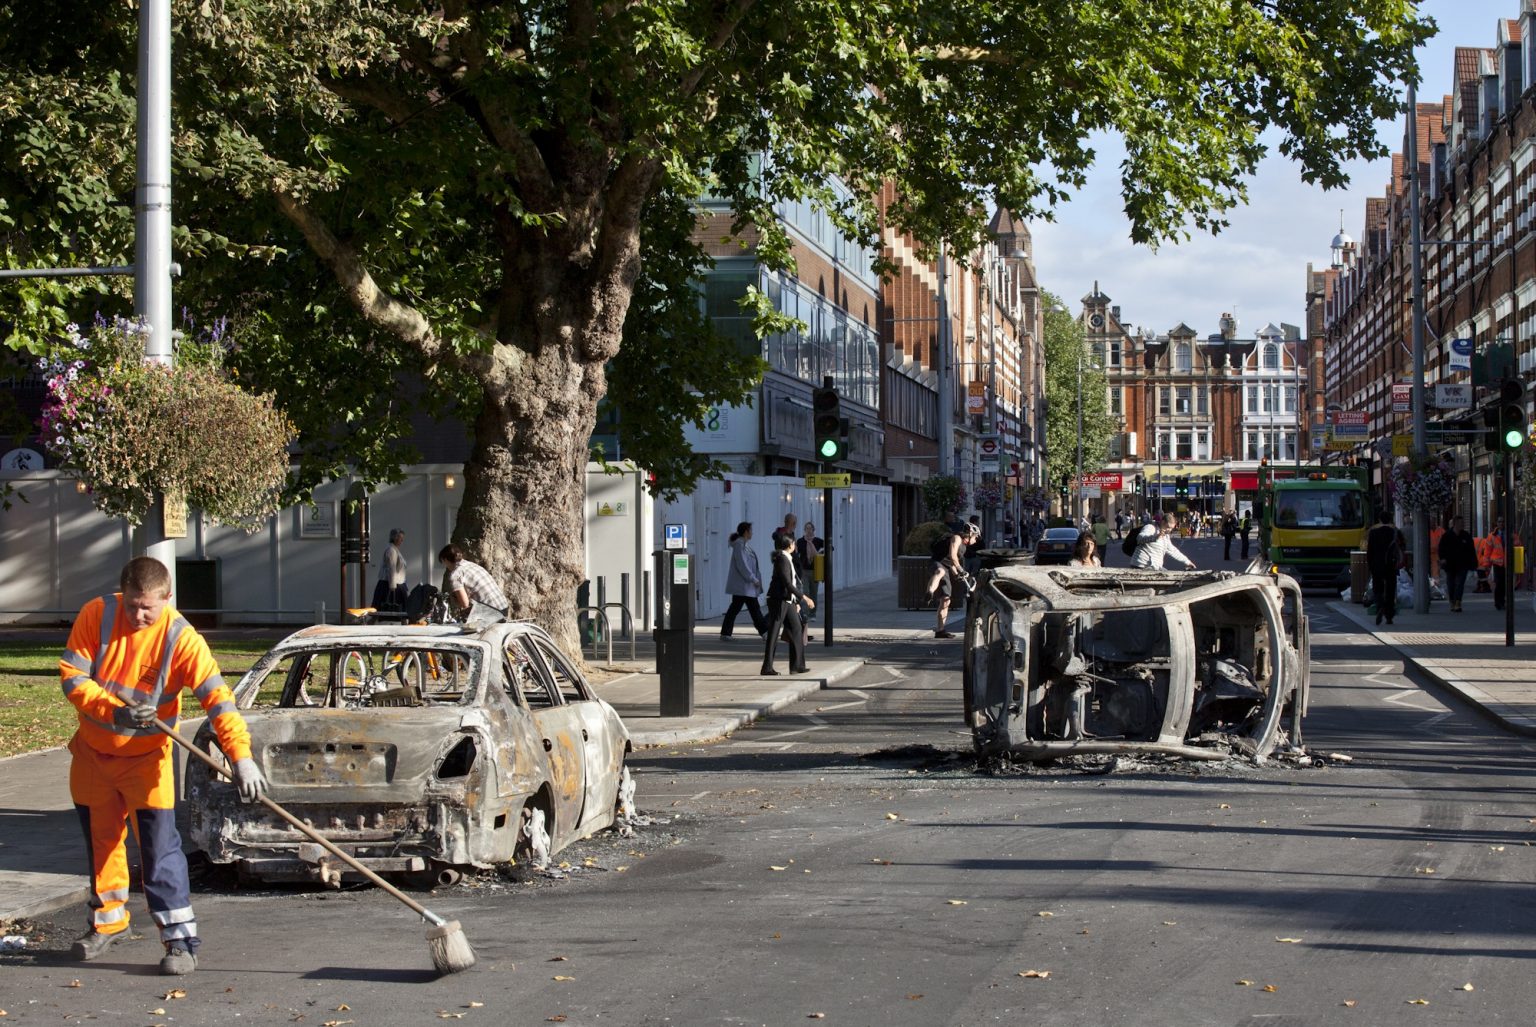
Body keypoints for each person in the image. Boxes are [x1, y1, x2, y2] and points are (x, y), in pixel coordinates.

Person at [60, 557, 266, 976]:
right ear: (122, 594)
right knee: (102, 846)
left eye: (148, 608)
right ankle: (108, 923)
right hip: (93, 756)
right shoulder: (96, 615)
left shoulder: (182, 639)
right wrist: (116, 712)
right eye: (132, 605)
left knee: (160, 852)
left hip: (146, 761)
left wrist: (240, 757)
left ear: (167, 599)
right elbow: (72, 678)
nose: (138, 615)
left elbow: (219, 701)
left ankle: (180, 941)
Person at [761, 531, 811, 675]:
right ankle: (767, 667)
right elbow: (787, 583)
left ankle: (797, 665)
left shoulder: (787, 558)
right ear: (790, 544)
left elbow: (792, 582)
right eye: (794, 542)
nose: (795, 545)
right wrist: (804, 598)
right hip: (778, 600)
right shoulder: (782, 559)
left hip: (787, 600)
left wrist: (795, 601)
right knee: (774, 632)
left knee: (796, 628)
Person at [926, 522, 977, 638]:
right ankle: (929, 592)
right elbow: (952, 556)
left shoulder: (963, 548)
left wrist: (958, 574)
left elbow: (952, 563)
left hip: (947, 567)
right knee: (940, 572)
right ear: (969, 534)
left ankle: (940, 631)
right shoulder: (957, 538)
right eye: (975, 536)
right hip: (937, 563)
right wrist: (961, 569)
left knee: (946, 600)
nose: (976, 539)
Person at [721, 522, 768, 639]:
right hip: (744, 585)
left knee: (737, 609)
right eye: (751, 530)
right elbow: (742, 565)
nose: (752, 533)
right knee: (754, 609)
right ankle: (764, 632)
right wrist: (753, 579)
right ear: (746, 531)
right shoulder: (739, 545)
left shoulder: (744, 545)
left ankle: (726, 633)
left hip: (745, 586)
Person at [437, 544, 509, 618]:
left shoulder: (456, 574)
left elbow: (464, 604)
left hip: (491, 613)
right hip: (504, 607)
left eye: (443, 562)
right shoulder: (473, 565)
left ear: (446, 560)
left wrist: (456, 600)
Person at [1365, 510, 1401, 625]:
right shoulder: (1395, 531)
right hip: (1391, 564)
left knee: (1377, 589)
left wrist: (1370, 565)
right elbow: (1401, 546)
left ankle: (1380, 606)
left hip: (1377, 565)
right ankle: (1389, 615)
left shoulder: (1373, 532)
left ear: (1380, 520)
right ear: (1390, 519)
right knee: (1390, 590)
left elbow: (1369, 550)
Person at [1128, 512, 1197, 570]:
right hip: (1142, 565)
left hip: (1154, 566)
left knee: (1170, 577)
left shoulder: (1165, 536)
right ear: (1163, 522)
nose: (1169, 530)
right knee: (1168, 578)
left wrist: (1187, 561)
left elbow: (1172, 550)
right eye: (1168, 527)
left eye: (1171, 528)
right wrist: (1155, 537)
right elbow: (1140, 538)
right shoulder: (1151, 527)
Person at [1438, 516, 1478, 613]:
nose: (1462, 525)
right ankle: (1452, 600)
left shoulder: (1466, 536)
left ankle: (1458, 602)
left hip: (1462, 564)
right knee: (1450, 584)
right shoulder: (1447, 536)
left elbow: (1471, 550)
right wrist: (1443, 559)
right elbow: (1441, 548)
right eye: (1460, 523)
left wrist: (1473, 563)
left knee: (1460, 583)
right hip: (1450, 565)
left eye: (1463, 523)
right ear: (1455, 524)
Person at [371, 528, 409, 610]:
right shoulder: (391, 550)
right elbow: (391, 568)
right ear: (394, 538)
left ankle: (405, 622)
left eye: (402, 538)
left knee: (402, 610)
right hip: (391, 584)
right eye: (400, 537)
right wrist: (392, 586)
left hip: (397, 583)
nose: (402, 540)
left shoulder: (395, 550)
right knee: (384, 608)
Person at [795, 522, 825, 618]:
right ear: (805, 530)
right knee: (806, 592)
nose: (808, 530)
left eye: (810, 528)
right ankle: (806, 613)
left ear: (813, 530)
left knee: (814, 593)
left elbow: (830, 547)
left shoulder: (817, 541)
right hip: (804, 570)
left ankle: (813, 613)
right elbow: (795, 553)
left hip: (815, 570)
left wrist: (821, 552)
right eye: (807, 528)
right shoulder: (800, 541)